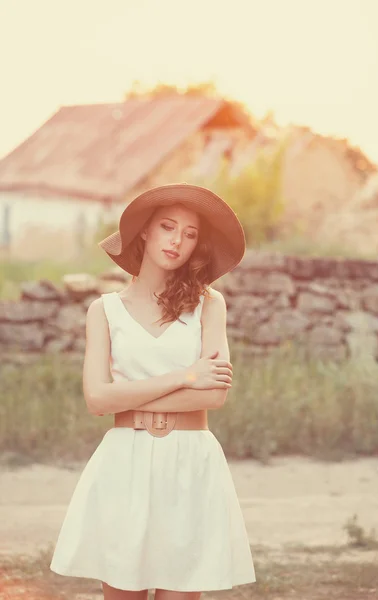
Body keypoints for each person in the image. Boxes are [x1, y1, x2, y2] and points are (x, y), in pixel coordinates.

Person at [50, 183, 256, 600]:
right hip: (125, 462)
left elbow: (212, 395)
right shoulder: (103, 310)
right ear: (145, 232)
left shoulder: (209, 304)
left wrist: (128, 395)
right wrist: (183, 376)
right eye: (167, 226)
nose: (178, 240)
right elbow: (97, 400)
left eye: (190, 233)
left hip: (190, 462)